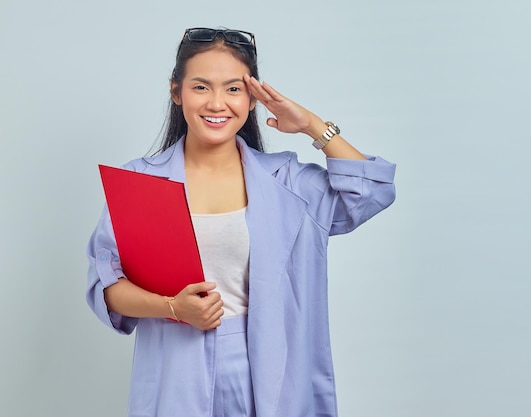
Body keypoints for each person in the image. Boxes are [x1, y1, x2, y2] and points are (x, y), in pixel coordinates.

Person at [87, 27, 396, 417]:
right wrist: (173, 307)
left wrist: (311, 125)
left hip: (269, 367)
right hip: (176, 369)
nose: (217, 103)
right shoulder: (141, 182)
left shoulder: (287, 181)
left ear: (253, 98)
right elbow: (107, 286)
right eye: (201, 87)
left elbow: (371, 193)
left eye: (234, 89)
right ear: (176, 92)